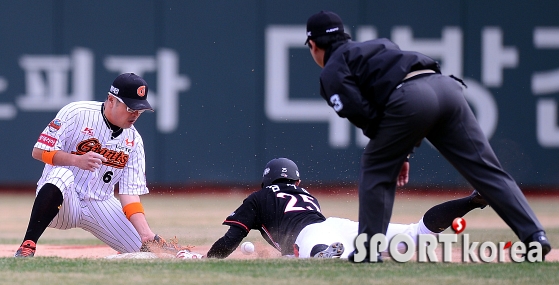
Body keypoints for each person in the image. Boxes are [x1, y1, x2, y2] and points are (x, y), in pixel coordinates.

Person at [303, 10, 551, 262]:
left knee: (375, 168)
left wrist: (395, 149)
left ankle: (368, 251)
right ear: (345, 36)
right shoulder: (379, 45)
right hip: (445, 88)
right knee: (486, 170)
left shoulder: (332, 69)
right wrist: (401, 149)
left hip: (410, 98)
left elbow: (360, 112)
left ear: (313, 45)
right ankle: (535, 236)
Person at [206, 158, 488, 259]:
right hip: (336, 225)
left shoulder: (258, 197)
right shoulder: (306, 193)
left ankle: (334, 254)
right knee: (417, 235)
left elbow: (231, 239)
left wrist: (209, 261)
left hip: (308, 237)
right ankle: (472, 201)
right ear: (298, 181)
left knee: (314, 257)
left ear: (266, 181)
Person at [15, 73, 162, 257]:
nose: (135, 114)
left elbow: (129, 194)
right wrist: (76, 160)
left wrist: (145, 233)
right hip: (63, 202)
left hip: (100, 203)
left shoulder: (134, 140)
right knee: (63, 174)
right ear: (111, 100)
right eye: (131, 108)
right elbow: (39, 151)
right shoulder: (77, 112)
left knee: (147, 252)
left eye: (140, 110)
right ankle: (28, 245)